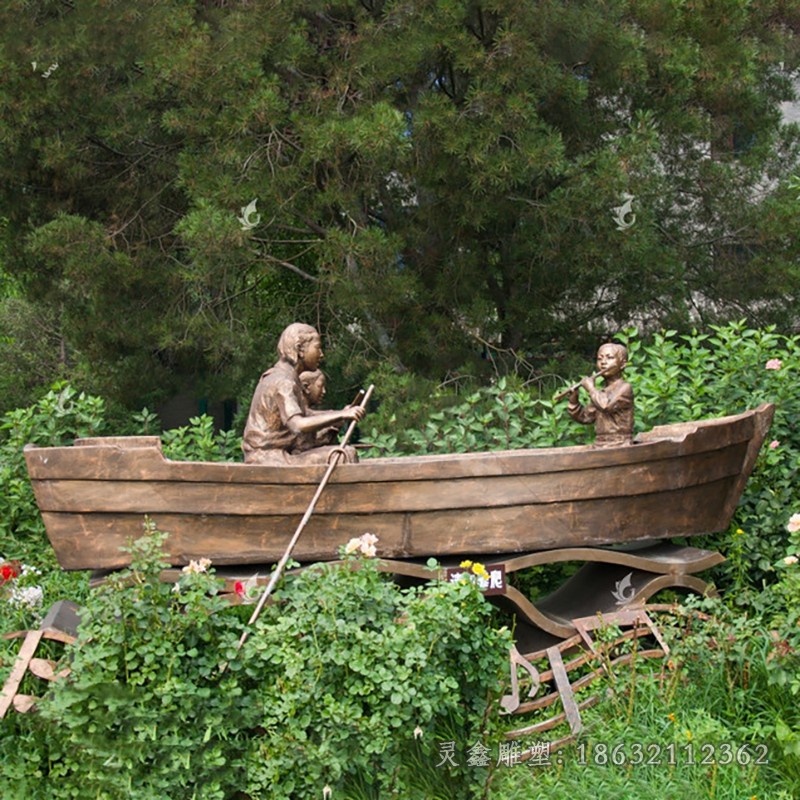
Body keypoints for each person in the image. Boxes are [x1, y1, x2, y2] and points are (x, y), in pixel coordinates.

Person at [242, 323, 365, 465]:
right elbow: (298, 424)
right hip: (269, 459)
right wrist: (341, 415)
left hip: (276, 455)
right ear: (300, 349)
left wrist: (338, 414)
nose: (321, 354)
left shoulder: (287, 377)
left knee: (342, 452)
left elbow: (305, 414)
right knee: (344, 455)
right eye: (317, 348)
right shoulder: (283, 382)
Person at [568, 343, 634, 448]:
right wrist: (573, 400)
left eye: (610, 358)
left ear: (622, 364)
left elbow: (605, 406)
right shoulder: (601, 393)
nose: (603, 362)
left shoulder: (625, 388)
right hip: (601, 444)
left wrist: (591, 388)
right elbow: (585, 417)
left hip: (619, 444)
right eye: (600, 359)